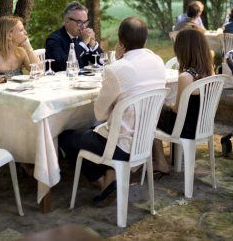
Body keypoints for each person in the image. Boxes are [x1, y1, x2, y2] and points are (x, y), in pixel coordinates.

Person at [58, 16, 166, 205]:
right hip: (144, 139)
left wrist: (117, 62)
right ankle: (109, 179)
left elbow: (99, 115)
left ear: (121, 42)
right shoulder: (157, 60)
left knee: (64, 136)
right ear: (145, 39)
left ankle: (103, 183)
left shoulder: (117, 68)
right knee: (93, 134)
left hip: (120, 145)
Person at [153, 28, 214, 174]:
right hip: (202, 125)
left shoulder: (186, 77)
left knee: (151, 114)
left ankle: (161, 162)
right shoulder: (210, 71)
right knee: (159, 110)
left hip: (185, 128)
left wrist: (167, 105)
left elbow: (177, 110)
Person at [0, 15, 38, 83]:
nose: (25, 32)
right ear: (9, 35)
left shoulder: (21, 52)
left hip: (19, 92)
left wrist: (28, 47)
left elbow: (39, 72)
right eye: (21, 30)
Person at [45, 2, 103, 72]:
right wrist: (83, 44)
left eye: (85, 22)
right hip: (61, 81)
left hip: (83, 79)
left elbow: (101, 63)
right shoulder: (54, 40)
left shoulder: (82, 36)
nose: (83, 27)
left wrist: (93, 44)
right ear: (66, 21)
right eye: (79, 22)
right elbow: (65, 65)